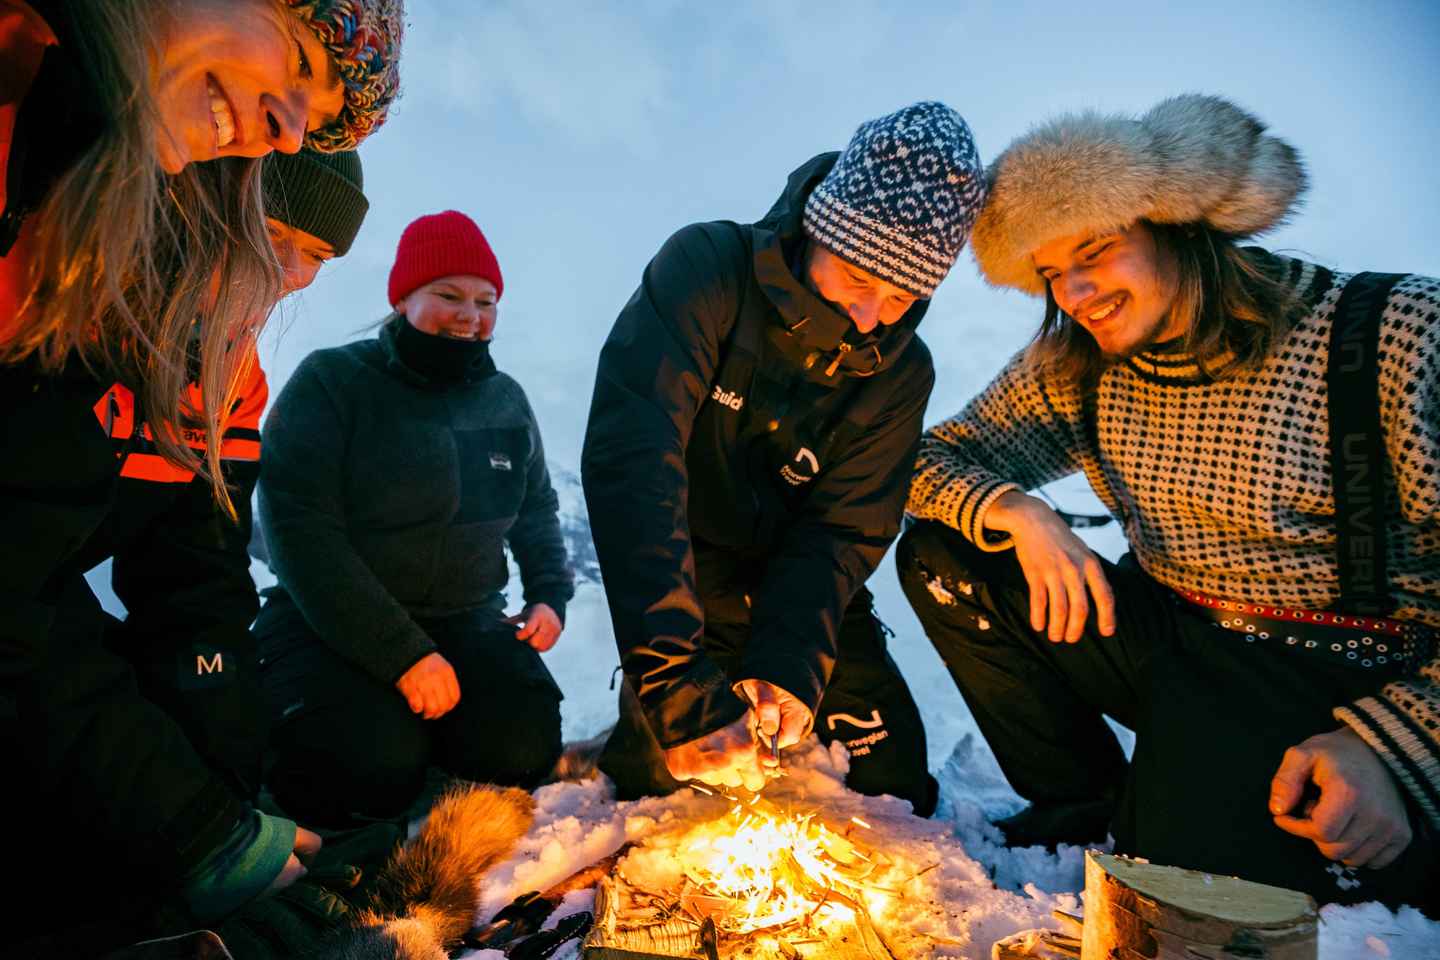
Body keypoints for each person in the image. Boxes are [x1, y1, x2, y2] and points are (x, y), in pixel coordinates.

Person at [897, 94, 1437, 906]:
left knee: (1184, 900)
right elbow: (923, 459)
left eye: (1098, 249)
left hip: (1339, 671)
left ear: (1178, 225)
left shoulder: (1394, 333)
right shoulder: (1075, 365)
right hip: (1172, 641)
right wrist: (1018, 510)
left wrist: (1397, 744)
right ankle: (1084, 808)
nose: (1076, 291)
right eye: (1050, 274)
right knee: (948, 556)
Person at [0, 0, 402, 949]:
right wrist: (188, 824)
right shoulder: (72, 273)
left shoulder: (226, 373)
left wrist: (224, 805)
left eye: (322, 264)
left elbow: (200, 588)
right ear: (228, 203)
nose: (300, 282)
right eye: (302, 61)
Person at [582, 102, 986, 814]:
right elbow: (636, 464)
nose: (870, 317)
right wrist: (675, 689)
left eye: (901, 297)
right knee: (653, 792)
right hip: (686, 587)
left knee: (895, 789)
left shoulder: (901, 373)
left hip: (799, 595)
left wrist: (790, 667)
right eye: (860, 280)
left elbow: (842, 530)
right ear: (816, 233)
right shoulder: (708, 272)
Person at [255, 209, 574, 828]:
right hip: (330, 620)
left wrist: (549, 595)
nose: (469, 315)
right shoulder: (334, 382)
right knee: (362, 765)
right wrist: (403, 655)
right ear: (403, 298)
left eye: (486, 301)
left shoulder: (504, 398)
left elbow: (534, 506)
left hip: (466, 616)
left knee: (523, 746)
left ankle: (428, 752)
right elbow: (300, 531)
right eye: (448, 295)